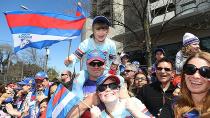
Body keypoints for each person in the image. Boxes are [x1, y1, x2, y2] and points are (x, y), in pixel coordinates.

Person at [67, 49, 126, 118]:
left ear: (105, 64)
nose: (96, 67)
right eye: (92, 63)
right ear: (87, 64)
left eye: (100, 63)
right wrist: (87, 102)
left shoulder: (115, 84)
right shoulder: (75, 86)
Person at [173, 51, 210, 117]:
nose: (196, 76)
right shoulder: (173, 106)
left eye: (205, 71)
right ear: (184, 75)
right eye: (190, 69)